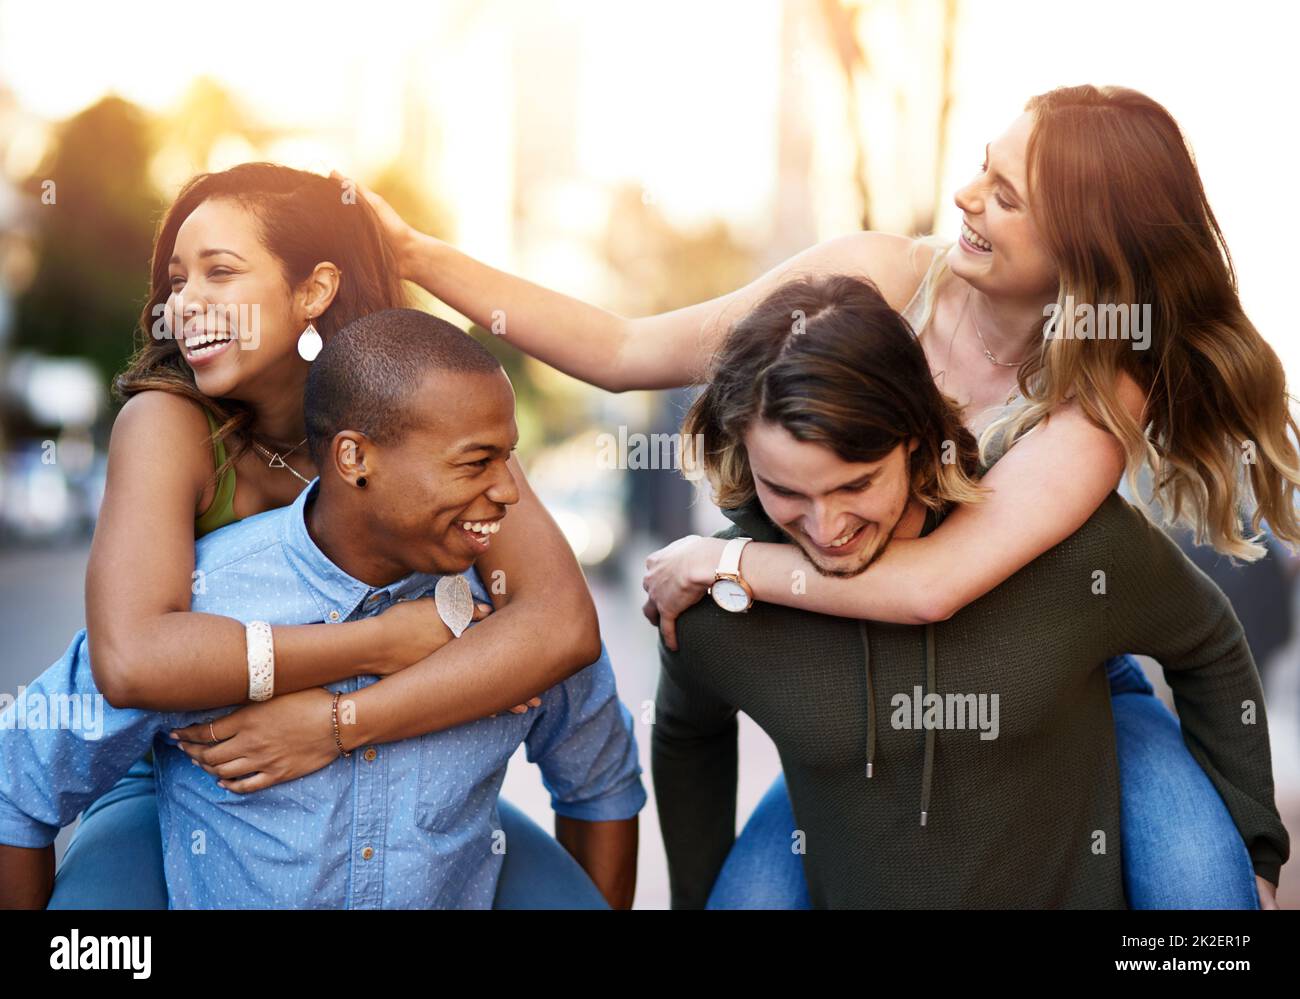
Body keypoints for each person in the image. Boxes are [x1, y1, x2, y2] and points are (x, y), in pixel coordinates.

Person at [345, 84, 1300, 906]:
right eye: (981, 166)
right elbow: (625, 350)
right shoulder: (879, 278)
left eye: (1005, 196)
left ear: (1085, 242)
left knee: (1206, 898)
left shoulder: (1098, 381)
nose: (966, 196)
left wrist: (728, 562)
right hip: (854, 686)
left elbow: (937, 585)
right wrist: (418, 253)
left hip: (1050, 677)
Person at [30, 163, 608, 909]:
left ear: (314, 289)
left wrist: (339, 725)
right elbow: (133, 659)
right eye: (177, 281)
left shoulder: (420, 409)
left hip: (405, 764)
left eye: (220, 272)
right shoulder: (168, 423)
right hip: (201, 767)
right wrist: (375, 644)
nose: (184, 304)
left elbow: (560, 622)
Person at [651, 274, 1286, 908]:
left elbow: (1208, 642)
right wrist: (694, 894)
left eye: (856, 485)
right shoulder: (717, 603)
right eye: (787, 491)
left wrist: (1254, 845)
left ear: (918, 440)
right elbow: (687, 736)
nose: (827, 528)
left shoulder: (1063, 546)